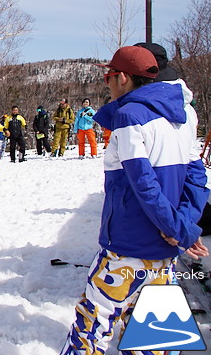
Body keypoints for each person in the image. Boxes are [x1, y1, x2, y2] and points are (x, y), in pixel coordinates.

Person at [60, 46, 210, 354]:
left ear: (124, 78)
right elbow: (197, 178)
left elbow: (143, 183)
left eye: (108, 77)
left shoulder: (128, 117)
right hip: (165, 250)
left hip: (127, 246)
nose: (107, 84)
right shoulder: (185, 114)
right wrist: (182, 227)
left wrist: (177, 228)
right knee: (155, 334)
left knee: (92, 326)